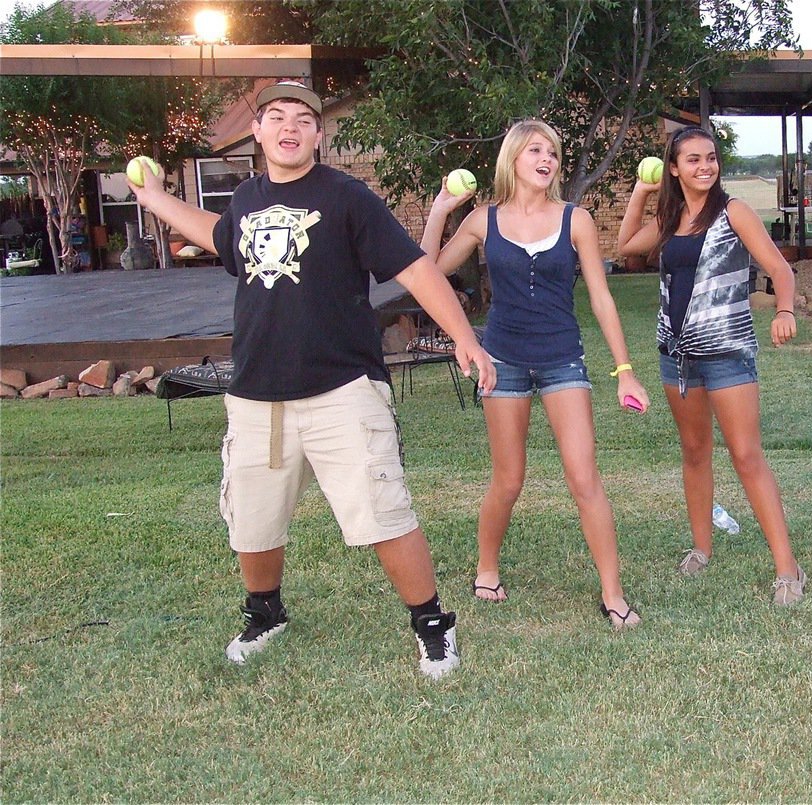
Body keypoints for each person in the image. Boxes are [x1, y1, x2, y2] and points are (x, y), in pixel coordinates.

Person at [126, 80, 495, 679]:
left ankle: (433, 625)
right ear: (259, 132)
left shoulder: (348, 197)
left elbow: (414, 267)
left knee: (382, 511)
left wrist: (464, 337)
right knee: (253, 516)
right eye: (276, 117)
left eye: (303, 118)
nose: (289, 127)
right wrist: (155, 197)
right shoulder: (245, 198)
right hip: (255, 392)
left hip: (343, 389)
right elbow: (214, 233)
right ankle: (265, 613)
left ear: (319, 135)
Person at [420, 120, 648, 628]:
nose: (546, 159)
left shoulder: (576, 220)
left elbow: (601, 297)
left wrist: (625, 371)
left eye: (552, 152)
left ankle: (613, 594)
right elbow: (427, 271)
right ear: (513, 159)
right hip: (502, 361)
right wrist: (439, 210)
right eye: (534, 151)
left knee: (584, 477)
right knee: (508, 478)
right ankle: (486, 568)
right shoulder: (482, 220)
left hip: (562, 357)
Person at [616, 125, 807, 607]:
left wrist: (784, 310)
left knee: (746, 455)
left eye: (712, 158)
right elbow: (625, 245)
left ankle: (787, 567)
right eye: (693, 160)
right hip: (677, 355)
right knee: (695, 451)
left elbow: (780, 269)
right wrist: (642, 189)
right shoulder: (672, 215)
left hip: (726, 352)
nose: (705, 167)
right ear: (674, 168)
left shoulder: (733, 212)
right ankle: (702, 547)